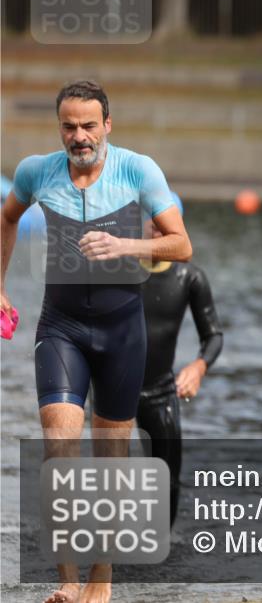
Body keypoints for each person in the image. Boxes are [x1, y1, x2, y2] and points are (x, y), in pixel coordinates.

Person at [0, 80, 191, 603]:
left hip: (121, 331)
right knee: (58, 450)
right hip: (60, 327)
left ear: (107, 125)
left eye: (88, 125)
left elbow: (181, 244)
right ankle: (65, 583)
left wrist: (124, 243)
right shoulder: (38, 171)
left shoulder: (138, 169)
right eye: (69, 126)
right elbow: (7, 219)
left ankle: (99, 583)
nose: (79, 136)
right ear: (58, 126)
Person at [137, 193, 223, 528]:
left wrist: (198, 366)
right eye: (152, 218)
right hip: (112, 390)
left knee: (167, 483)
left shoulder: (190, 278)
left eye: (166, 220)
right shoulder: (117, 270)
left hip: (160, 392)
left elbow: (214, 335)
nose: (157, 227)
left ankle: (158, 559)